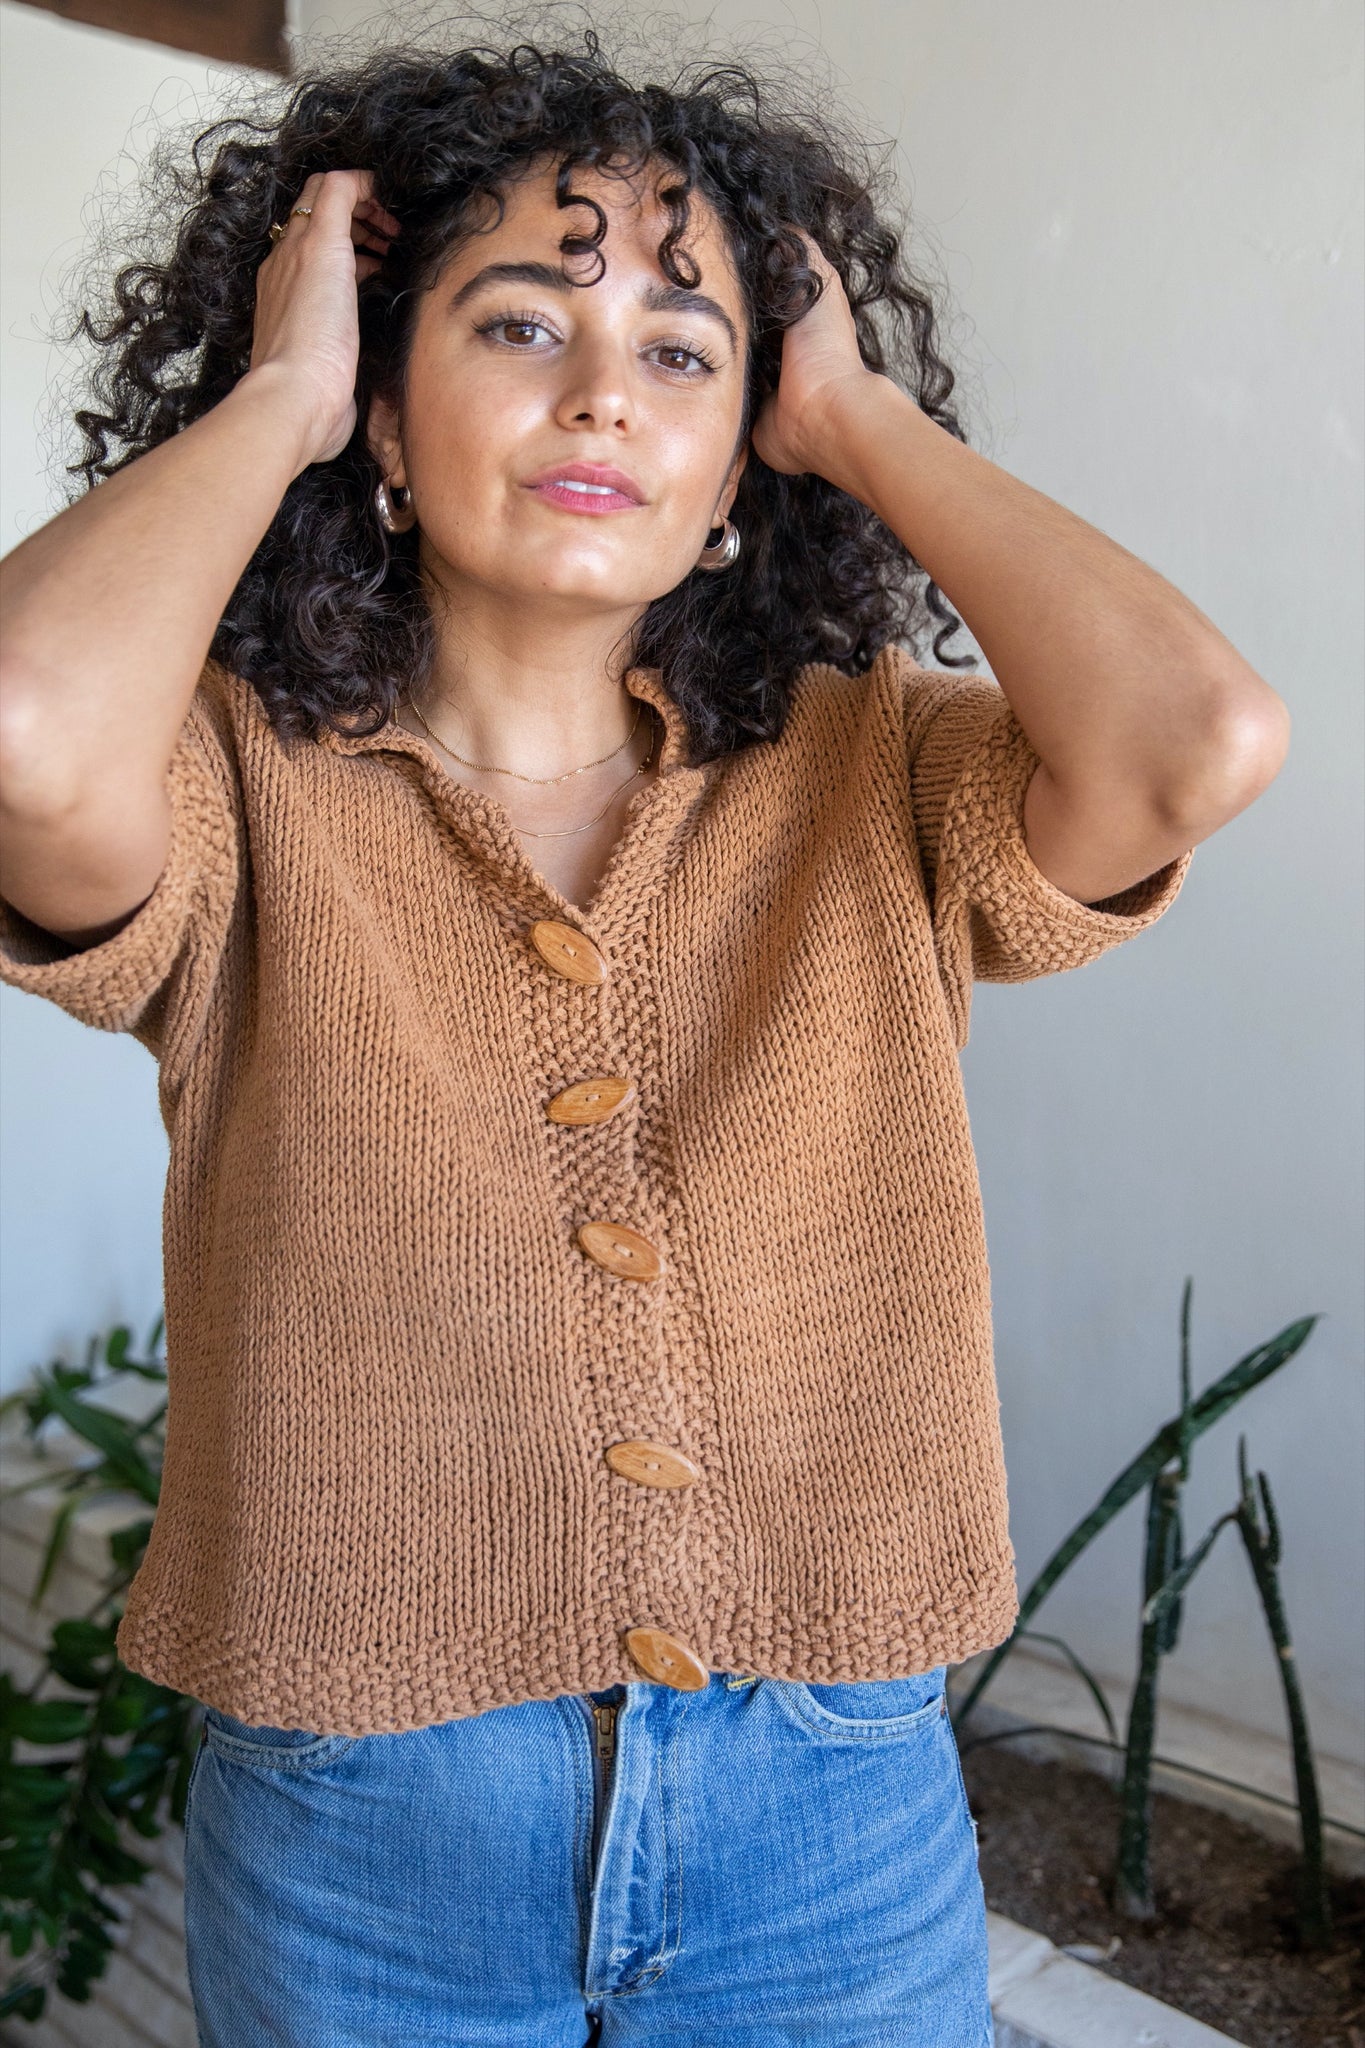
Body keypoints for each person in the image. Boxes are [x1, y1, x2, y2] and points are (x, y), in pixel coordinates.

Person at [0, 24, 1288, 2047]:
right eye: (518, 324)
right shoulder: (224, 784)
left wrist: (854, 414)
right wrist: (279, 396)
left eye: (684, 352)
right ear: (386, 414)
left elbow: (1196, 739)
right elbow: (17, 731)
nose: (604, 389)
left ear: (736, 462)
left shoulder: (873, 762)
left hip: (825, 1795)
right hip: (369, 1811)